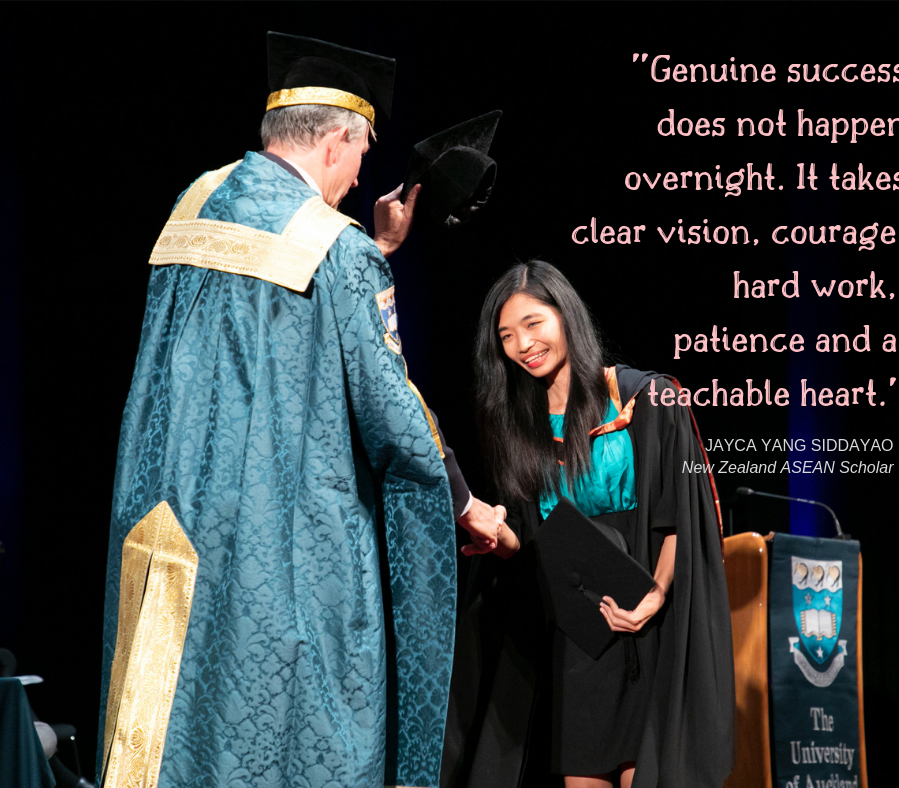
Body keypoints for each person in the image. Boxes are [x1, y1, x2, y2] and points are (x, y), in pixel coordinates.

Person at [96, 33, 501, 788]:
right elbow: (388, 405)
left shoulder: (193, 204)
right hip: (273, 533)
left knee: (169, 717)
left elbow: (269, 332)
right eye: (361, 153)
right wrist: (464, 502)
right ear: (338, 139)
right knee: (276, 725)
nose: (359, 175)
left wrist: (373, 249)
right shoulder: (338, 248)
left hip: (166, 518)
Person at [441, 260, 735, 788]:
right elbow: (530, 542)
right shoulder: (519, 427)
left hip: (650, 625)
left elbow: (680, 517)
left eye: (533, 323)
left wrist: (655, 594)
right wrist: (499, 536)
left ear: (565, 315)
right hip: (579, 640)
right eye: (506, 336)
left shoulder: (645, 398)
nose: (523, 345)